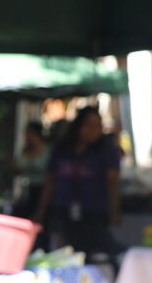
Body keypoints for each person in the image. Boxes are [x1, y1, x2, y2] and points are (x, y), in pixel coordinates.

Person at [33, 106, 122, 259]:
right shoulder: (62, 149)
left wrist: (115, 211)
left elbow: (112, 183)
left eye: (97, 126)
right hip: (62, 212)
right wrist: (41, 211)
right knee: (60, 255)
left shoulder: (106, 150)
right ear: (79, 125)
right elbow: (50, 181)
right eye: (89, 125)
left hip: (94, 214)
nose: (93, 130)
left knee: (95, 254)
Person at [11, 121, 49, 219]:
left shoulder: (47, 151)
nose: (27, 137)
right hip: (26, 191)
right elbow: (16, 170)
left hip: (41, 190)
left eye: (29, 133)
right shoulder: (25, 150)